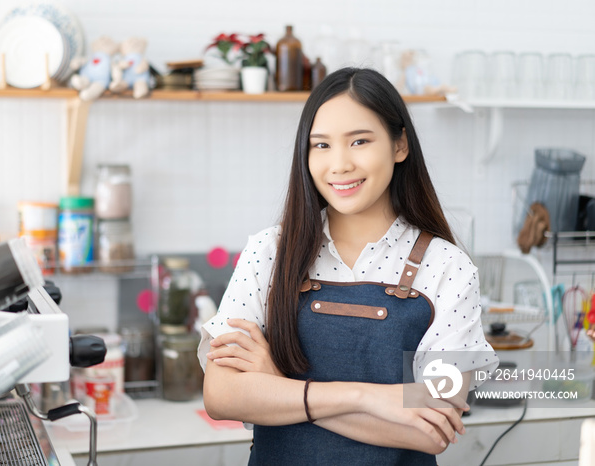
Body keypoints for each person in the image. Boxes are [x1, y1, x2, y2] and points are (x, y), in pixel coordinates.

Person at [198, 67, 499, 465]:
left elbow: (430, 433)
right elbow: (221, 396)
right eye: (320, 146)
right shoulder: (269, 252)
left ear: (399, 145)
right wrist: (368, 398)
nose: (339, 164)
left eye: (359, 141)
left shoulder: (448, 268)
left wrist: (277, 387)